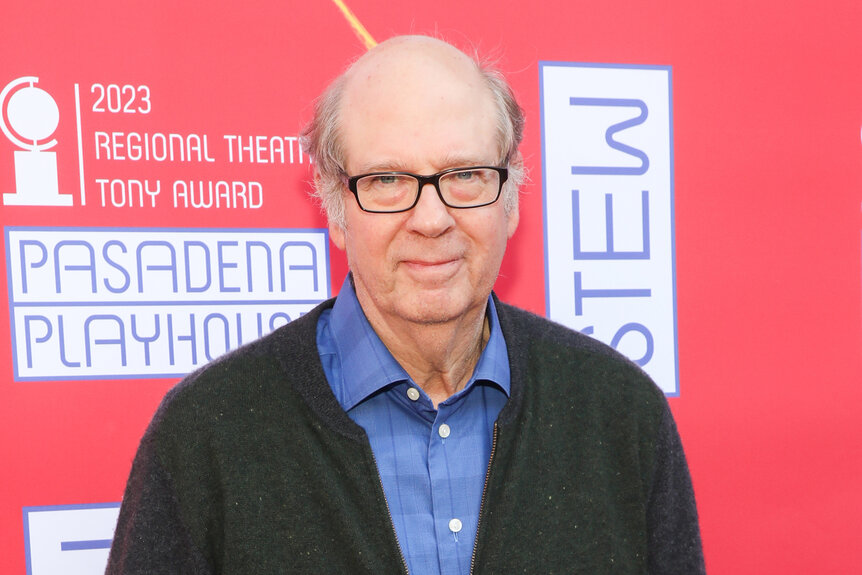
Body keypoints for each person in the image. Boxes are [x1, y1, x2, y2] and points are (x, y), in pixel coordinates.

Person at [106, 35, 705, 574]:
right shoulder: (208, 434)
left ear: (513, 197)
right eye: (388, 180)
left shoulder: (620, 415)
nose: (431, 219)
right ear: (334, 209)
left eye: (465, 173)